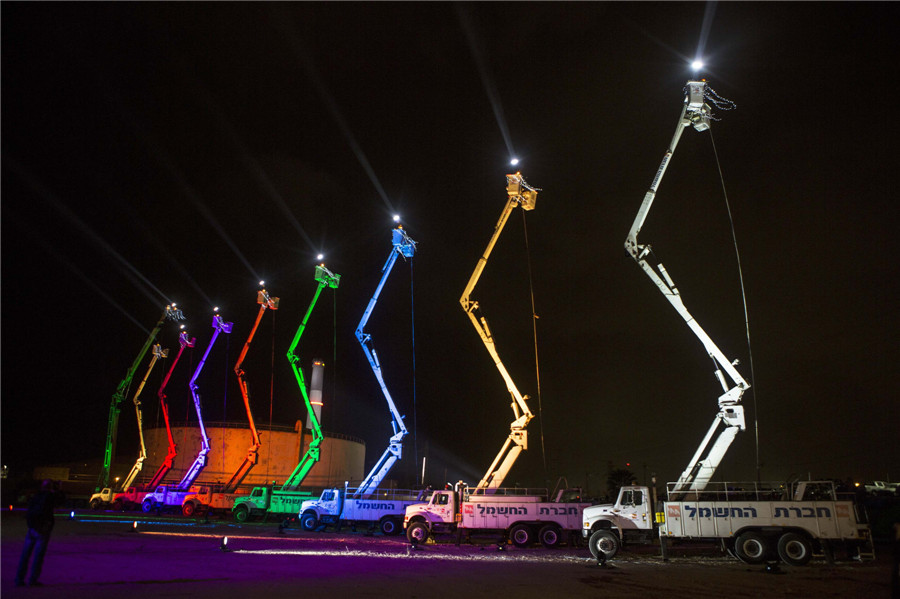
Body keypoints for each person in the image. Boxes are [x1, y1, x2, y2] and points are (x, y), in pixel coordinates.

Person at [15, 479, 60, 587]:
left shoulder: (36, 496)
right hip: (42, 528)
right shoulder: (49, 497)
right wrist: (57, 489)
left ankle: (19, 579)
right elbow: (59, 500)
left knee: (25, 555)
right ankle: (33, 579)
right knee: (38, 556)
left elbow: (29, 510)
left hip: (32, 528)